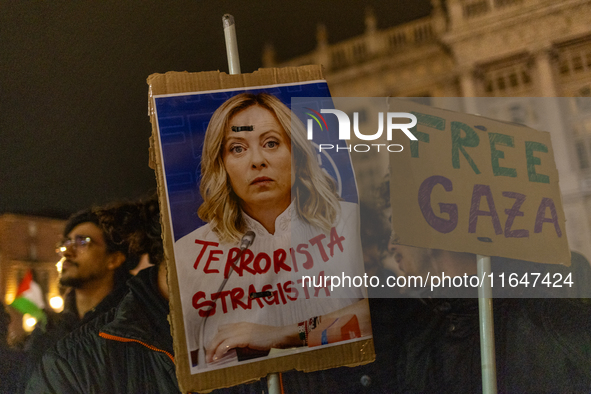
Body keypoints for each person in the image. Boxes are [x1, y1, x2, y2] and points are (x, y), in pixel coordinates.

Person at [173, 92, 370, 371]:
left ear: (297, 154)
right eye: (237, 148)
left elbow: (390, 313)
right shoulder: (187, 255)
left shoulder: (353, 223)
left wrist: (281, 334)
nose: (257, 160)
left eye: (271, 143)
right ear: (222, 164)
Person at [22, 207, 132, 386]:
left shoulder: (131, 326)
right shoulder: (46, 330)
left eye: (82, 242)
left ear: (114, 259)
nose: (67, 252)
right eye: (66, 243)